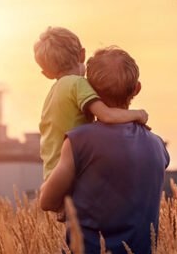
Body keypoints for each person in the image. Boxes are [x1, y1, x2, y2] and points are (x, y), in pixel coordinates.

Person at [39, 46, 169, 254]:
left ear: (88, 89)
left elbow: (47, 201)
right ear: (137, 88)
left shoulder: (79, 141)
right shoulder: (157, 146)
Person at [33, 27, 149, 182]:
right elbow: (107, 115)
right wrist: (139, 114)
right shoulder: (77, 84)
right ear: (82, 54)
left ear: (46, 74)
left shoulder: (55, 91)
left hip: (52, 175)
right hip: (69, 175)